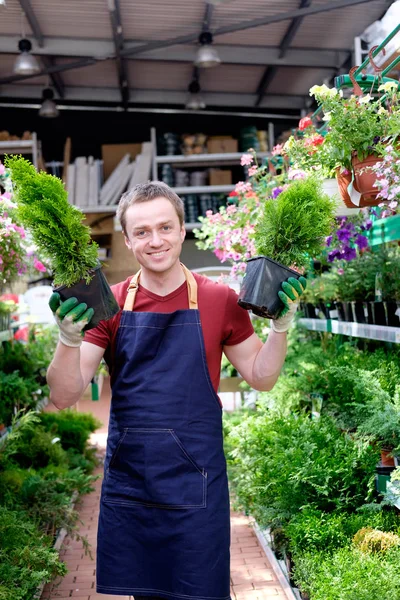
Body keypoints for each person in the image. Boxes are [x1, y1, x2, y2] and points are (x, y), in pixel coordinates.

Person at [47, 182, 306, 600]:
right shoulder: (108, 305)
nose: (156, 240)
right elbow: (64, 395)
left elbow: (261, 377)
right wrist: (69, 339)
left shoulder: (219, 299)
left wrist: (279, 328)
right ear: (129, 241)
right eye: (143, 232)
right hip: (134, 482)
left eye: (165, 227)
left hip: (196, 483)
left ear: (183, 231)